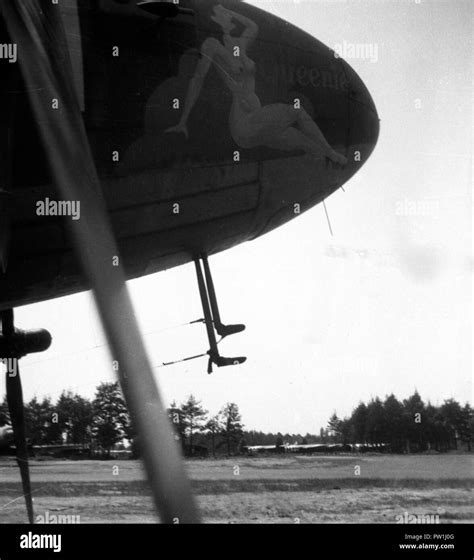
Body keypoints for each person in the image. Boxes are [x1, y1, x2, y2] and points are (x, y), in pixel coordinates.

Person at [166, 4, 347, 165]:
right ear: (214, 19)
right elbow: (197, 80)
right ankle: (330, 152)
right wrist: (183, 120)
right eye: (223, 14)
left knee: (306, 143)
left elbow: (253, 26)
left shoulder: (241, 43)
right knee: (297, 111)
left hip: (258, 123)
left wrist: (227, 10)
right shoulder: (212, 46)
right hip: (244, 125)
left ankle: (326, 156)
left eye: (229, 13)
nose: (230, 16)